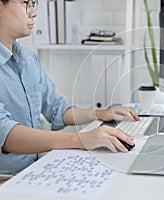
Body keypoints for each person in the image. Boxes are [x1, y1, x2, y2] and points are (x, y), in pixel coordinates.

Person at [0, 0, 139, 175]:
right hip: (5, 179)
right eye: (25, 3)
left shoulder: (29, 58)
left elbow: (57, 109)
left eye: (33, 4)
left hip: (33, 170)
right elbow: (5, 134)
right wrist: (80, 139)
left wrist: (99, 114)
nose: (33, 12)